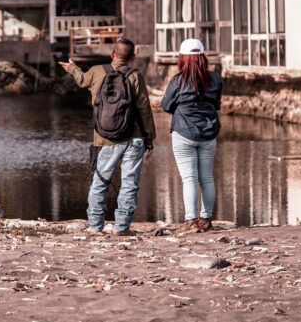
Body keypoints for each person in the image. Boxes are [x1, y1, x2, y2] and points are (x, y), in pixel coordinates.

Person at [59, 37, 156, 236]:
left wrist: (71, 68)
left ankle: (95, 225)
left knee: (100, 182)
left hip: (104, 139)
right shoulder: (135, 76)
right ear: (133, 57)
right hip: (134, 138)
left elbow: (82, 79)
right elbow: (144, 109)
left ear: (112, 54)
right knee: (130, 183)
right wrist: (149, 139)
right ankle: (121, 227)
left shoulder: (96, 71)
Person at [161, 39, 223, 234]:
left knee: (189, 178)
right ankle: (206, 219)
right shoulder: (215, 79)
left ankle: (191, 221)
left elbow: (166, 105)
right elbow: (217, 104)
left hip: (183, 132)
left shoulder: (178, 80)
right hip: (209, 133)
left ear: (182, 58)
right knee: (207, 178)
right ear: (203, 57)